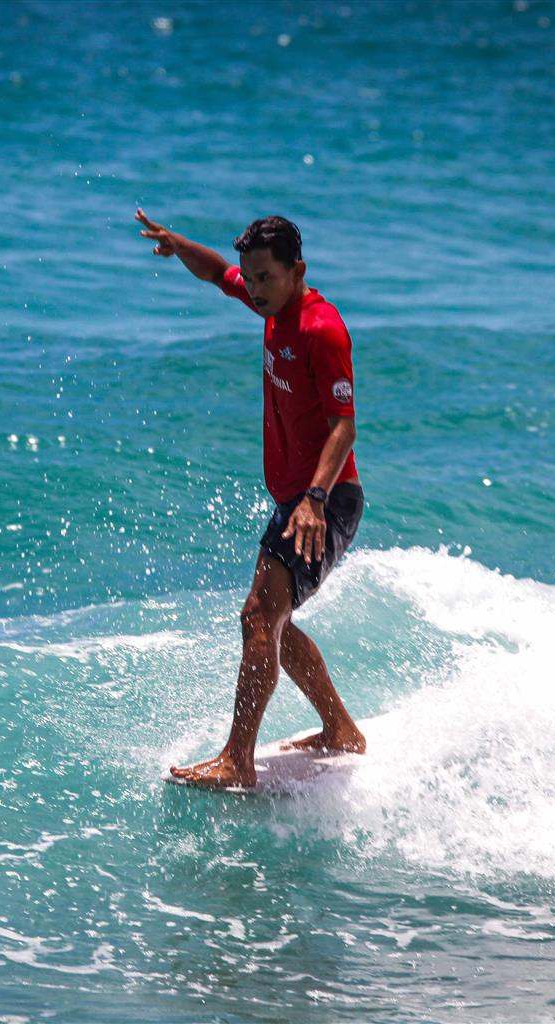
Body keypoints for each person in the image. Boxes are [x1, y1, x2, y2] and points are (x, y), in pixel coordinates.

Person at [136, 208, 367, 789]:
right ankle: (339, 730)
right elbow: (218, 274)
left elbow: (344, 426)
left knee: (258, 616)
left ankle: (238, 761)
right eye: (252, 278)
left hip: (325, 499)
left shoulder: (322, 328)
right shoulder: (270, 303)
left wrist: (314, 497)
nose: (254, 289)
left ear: (299, 270)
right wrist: (178, 243)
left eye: (265, 278)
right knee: (273, 622)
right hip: (299, 497)